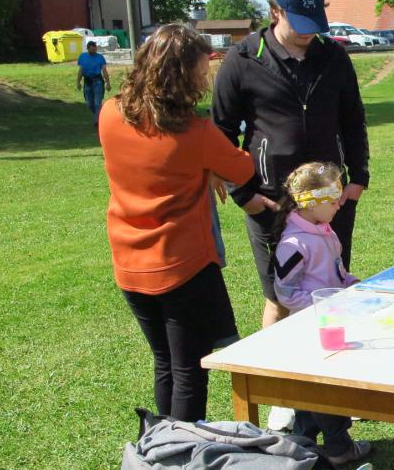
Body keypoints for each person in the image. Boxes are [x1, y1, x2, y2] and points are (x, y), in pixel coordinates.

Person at [99, 24, 274, 422]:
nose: (205, 77)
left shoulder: (109, 114)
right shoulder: (196, 133)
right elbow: (242, 168)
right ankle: (181, 450)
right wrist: (208, 166)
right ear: (182, 76)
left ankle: (164, 445)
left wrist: (203, 167)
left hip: (129, 263)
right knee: (189, 371)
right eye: (200, 70)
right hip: (182, 266)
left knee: (164, 362)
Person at [213, 0, 370, 330]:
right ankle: (272, 365)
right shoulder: (242, 59)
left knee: (331, 291)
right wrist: (243, 194)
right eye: (299, 22)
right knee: (279, 298)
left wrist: (358, 179)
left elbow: (353, 121)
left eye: (314, 22)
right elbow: (221, 134)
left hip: (330, 201)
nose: (307, 32)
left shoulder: (334, 57)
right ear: (275, 12)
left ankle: (327, 360)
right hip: (271, 203)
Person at [268, 160, 373, 468]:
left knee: (315, 386)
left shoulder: (325, 231)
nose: (340, 205)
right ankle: (339, 446)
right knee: (325, 389)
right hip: (308, 328)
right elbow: (285, 294)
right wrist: (324, 303)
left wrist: (352, 284)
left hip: (330, 323)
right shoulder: (293, 244)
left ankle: (302, 443)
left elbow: (337, 272)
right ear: (312, 203)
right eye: (333, 200)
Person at [76, 40, 111, 126]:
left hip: (98, 81)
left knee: (97, 103)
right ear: (88, 49)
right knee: (89, 103)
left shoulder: (100, 57)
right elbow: (81, 70)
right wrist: (78, 82)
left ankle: (97, 121)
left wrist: (108, 83)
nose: (94, 51)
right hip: (87, 81)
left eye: (95, 49)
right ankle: (100, 114)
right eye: (92, 50)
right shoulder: (83, 57)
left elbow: (104, 70)